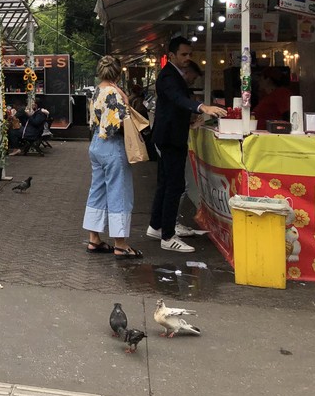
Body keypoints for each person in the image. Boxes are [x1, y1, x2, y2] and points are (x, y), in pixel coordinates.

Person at [148, 37, 226, 252]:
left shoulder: (174, 76)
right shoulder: (168, 77)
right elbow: (177, 99)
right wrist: (202, 107)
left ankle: (157, 226)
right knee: (174, 185)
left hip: (170, 135)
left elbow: (178, 104)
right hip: (170, 138)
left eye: (189, 54)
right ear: (171, 55)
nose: (187, 58)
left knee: (166, 184)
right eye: (183, 55)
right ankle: (168, 236)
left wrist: (195, 115)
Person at [83, 55, 143, 258]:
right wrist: (126, 101)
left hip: (96, 145)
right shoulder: (114, 93)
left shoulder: (97, 90)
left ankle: (94, 238)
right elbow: (118, 123)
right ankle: (120, 243)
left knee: (97, 191)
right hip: (112, 146)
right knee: (120, 192)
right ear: (118, 73)